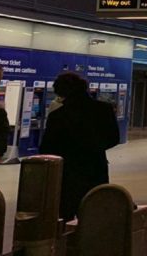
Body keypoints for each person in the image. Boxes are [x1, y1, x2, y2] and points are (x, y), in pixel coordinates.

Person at [38, 71, 120, 221]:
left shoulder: (58, 116)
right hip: (96, 168)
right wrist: (95, 148)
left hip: (67, 172)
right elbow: (114, 138)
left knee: (66, 214)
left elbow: (47, 148)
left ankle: (66, 242)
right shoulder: (103, 109)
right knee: (93, 211)